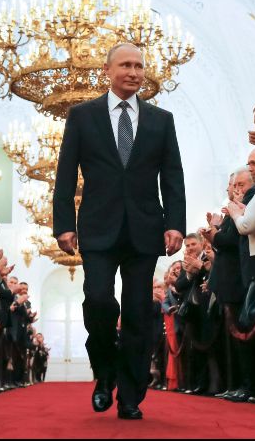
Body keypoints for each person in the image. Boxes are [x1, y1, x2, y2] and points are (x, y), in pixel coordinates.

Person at [53, 42, 186, 420]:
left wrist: (176, 223)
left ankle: (130, 395)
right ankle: (104, 372)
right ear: (107, 70)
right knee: (98, 300)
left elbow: (172, 176)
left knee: (137, 312)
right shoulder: (82, 115)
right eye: (126, 65)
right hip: (96, 227)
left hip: (145, 229)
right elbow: (65, 174)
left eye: (139, 66)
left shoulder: (162, 119)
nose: (134, 72)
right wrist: (63, 224)